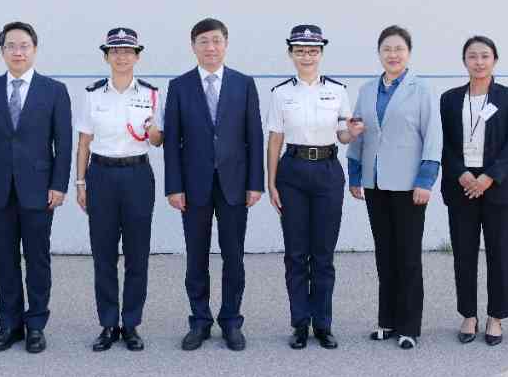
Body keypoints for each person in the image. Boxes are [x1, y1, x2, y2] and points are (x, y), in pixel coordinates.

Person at [0, 21, 72, 354]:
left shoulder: (54, 90)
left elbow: (64, 143)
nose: (18, 51)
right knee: (4, 258)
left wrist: (59, 184)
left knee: (38, 258)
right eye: (11, 46)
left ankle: (36, 324)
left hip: (39, 189)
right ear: (2, 52)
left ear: (35, 49)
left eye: (24, 45)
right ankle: (9, 324)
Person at [163, 18, 265, 351]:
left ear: (226, 44)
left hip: (235, 183)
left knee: (234, 256)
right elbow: (172, 142)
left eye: (216, 40)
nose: (211, 47)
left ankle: (232, 321)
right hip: (193, 186)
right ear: (193, 46)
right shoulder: (179, 86)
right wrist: (174, 186)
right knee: (196, 256)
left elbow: (254, 136)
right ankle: (200, 321)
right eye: (204, 41)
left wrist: (255, 183)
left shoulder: (243, 84)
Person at [266, 25, 363, 349]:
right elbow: (275, 139)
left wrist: (352, 133)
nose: (306, 56)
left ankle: (322, 324)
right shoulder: (281, 93)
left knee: (322, 254)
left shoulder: (337, 90)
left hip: (326, 171)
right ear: (291, 54)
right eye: (300, 50)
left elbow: (343, 135)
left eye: (312, 50)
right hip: (292, 172)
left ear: (321, 53)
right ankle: (299, 323)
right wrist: (271, 182)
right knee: (296, 253)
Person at [347, 25, 442, 350]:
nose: (393, 54)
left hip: (409, 185)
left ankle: (409, 326)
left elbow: (433, 138)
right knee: (385, 254)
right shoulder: (367, 90)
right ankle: (386, 320)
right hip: (375, 183)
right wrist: (355, 175)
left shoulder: (422, 89)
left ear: (408, 53)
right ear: (379, 53)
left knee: (408, 256)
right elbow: (357, 132)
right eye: (387, 49)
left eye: (399, 49)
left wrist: (425, 181)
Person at [74, 28, 164, 352]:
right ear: (106, 57)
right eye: (115, 51)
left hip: (137, 175)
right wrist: (80, 182)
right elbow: (84, 142)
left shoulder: (151, 94)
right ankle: (108, 323)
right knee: (104, 255)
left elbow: (158, 140)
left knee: (137, 254)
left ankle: (132, 323)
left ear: (137, 56)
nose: (121, 57)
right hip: (101, 175)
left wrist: (154, 132)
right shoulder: (93, 94)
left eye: (128, 51)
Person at [439, 36, 508, 346]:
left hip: (497, 186)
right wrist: (461, 173)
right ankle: (468, 315)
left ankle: (496, 317)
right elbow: (443, 142)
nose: (478, 62)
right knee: (464, 254)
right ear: (464, 61)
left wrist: (490, 176)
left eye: (485, 56)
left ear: (494, 60)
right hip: (461, 185)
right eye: (472, 56)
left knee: (499, 253)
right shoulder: (449, 99)